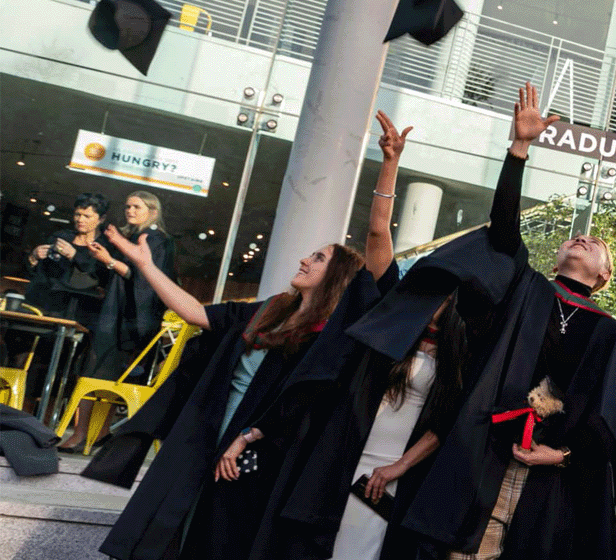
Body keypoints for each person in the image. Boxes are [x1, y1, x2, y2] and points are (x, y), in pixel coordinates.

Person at [351, 83, 616, 560]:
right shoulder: (525, 291)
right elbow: (504, 229)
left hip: (552, 489)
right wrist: (519, 150)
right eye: (576, 236)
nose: (583, 237)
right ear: (556, 257)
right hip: (482, 464)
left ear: (605, 276)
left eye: (596, 244)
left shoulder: (611, 334)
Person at [83, 208, 391, 560]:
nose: (305, 260)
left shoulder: (328, 341)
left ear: (336, 277)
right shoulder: (270, 310)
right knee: (174, 518)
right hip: (210, 430)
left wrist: (249, 436)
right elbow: (196, 313)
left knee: (222, 533)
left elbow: (306, 402)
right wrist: (146, 266)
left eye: (318, 258)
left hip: (262, 449)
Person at [249, 112, 468, 560]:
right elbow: (375, 235)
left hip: (393, 469)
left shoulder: (457, 355)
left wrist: (399, 467)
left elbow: (446, 422)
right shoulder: (395, 321)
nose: (433, 299)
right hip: (344, 452)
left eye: (443, 295)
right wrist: (390, 163)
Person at [67, 190, 175, 449]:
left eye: (137, 207)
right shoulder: (129, 237)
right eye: (127, 206)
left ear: (153, 211)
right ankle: (89, 432)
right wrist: (103, 260)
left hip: (132, 319)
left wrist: (109, 261)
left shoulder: (158, 241)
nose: (130, 211)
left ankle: (86, 433)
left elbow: (148, 280)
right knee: (96, 372)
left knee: (105, 374)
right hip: (115, 313)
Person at [22, 192, 112, 425]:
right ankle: (23, 420)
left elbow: (104, 279)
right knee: (35, 367)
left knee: (65, 370)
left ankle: (47, 424)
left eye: (87, 215)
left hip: (81, 316)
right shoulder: (61, 236)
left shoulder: (103, 246)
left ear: (100, 219)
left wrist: (76, 257)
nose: (80, 219)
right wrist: (34, 257)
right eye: (77, 214)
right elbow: (43, 276)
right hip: (50, 311)